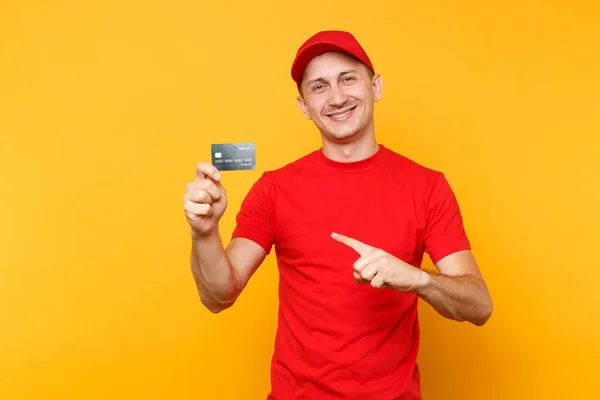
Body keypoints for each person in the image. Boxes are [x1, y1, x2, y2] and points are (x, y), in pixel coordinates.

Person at [183, 30, 493, 400]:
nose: (337, 97)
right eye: (319, 87)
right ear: (303, 106)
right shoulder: (274, 189)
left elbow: (479, 305)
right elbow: (219, 295)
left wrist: (417, 280)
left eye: (348, 78)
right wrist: (204, 232)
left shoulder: (427, 187)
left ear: (375, 86)